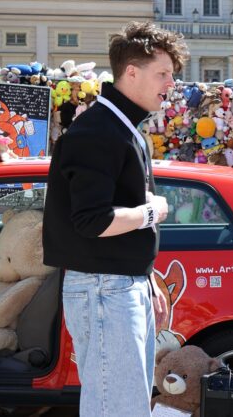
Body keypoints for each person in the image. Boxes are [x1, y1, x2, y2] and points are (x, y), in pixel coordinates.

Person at [42, 21, 189, 416]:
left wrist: (144, 278)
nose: (170, 83)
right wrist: (150, 212)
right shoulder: (99, 131)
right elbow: (92, 220)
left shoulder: (121, 128)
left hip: (116, 285)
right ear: (131, 72)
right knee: (118, 409)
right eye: (163, 73)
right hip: (104, 289)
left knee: (126, 406)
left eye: (171, 75)